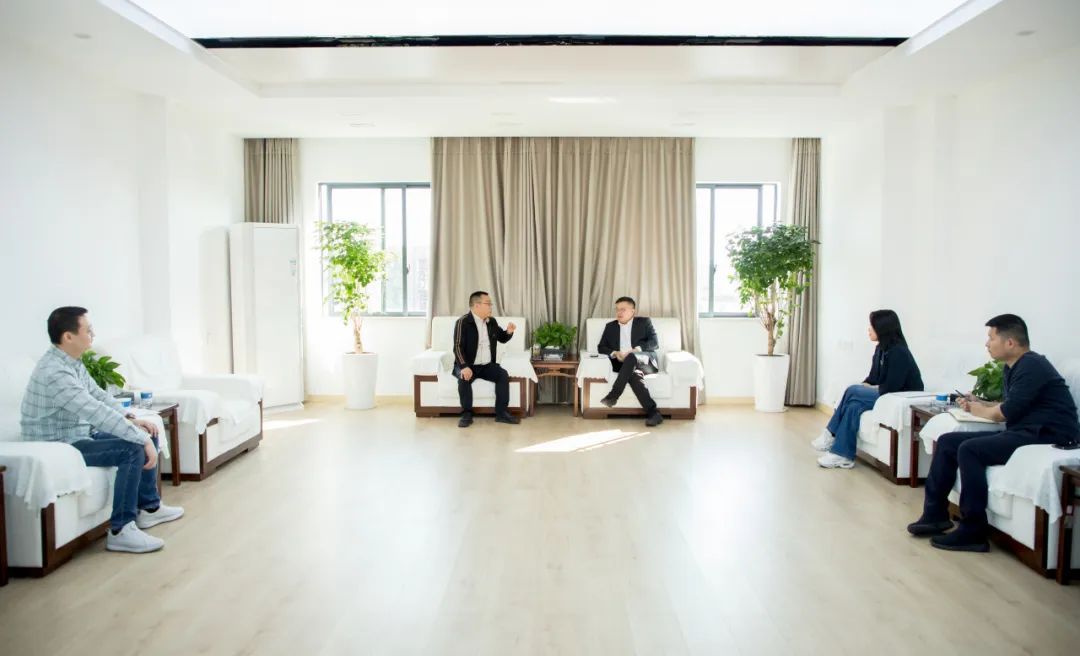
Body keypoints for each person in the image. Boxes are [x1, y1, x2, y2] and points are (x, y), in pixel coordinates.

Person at [908, 314, 1080, 552]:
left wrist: (978, 410)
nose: (987, 344)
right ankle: (934, 515)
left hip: (1050, 435)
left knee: (970, 450)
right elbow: (1011, 406)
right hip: (1027, 430)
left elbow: (1003, 414)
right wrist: (980, 403)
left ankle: (973, 531)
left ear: (1010, 342)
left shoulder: (1032, 366)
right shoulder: (1014, 367)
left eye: (991, 338)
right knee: (948, 442)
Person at [20, 307, 184, 554]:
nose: (93, 335)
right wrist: (138, 437)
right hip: (60, 444)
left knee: (148, 431)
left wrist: (130, 418)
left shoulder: (71, 362)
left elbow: (98, 395)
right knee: (132, 449)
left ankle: (149, 508)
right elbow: (93, 411)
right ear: (68, 337)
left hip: (78, 434)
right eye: (88, 330)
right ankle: (121, 530)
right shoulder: (54, 372)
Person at [813, 309, 924, 469]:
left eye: (872, 326)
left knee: (852, 390)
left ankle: (830, 433)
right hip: (886, 393)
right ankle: (843, 455)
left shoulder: (899, 352)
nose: (869, 329)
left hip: (898, 397)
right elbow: (872, 378)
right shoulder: (881, 349)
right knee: (853, 406)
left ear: (882, 328)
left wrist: (864, 388)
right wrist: (865, 385)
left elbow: (892, 387)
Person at [452, 291, 520, 428]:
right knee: (463, 379)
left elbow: (502, 338)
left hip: (486, 365)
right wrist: (464, 366)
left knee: (502, 375)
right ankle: (467, 414)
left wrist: (508, 332)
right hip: (468, 364)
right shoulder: (463, 322)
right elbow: (457, 347)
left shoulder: (491, 322)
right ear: (477, 305)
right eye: (488, 304)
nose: (491, 307)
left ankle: (501, 413)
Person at [596, 296, 664, 427]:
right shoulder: (610, 327)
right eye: (617, 309)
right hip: (623, 365)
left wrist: (635, 350)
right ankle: (654, 414)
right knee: (633, 375)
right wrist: (615, 353)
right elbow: (601, 347)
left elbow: (654, 343)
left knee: (632, 357)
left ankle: (614, 395)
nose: (619, 312)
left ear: (632, 311)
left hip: (645, 362)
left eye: (623, 309)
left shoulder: (644, 322)